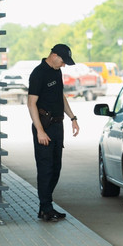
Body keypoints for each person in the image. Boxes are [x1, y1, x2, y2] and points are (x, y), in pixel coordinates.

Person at [27, 44, 80, 222]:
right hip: (45, 126)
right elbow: (31, 103)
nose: (64, 65)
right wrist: (40, 131)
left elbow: (60, 96)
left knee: (56, 168)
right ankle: (46, 208)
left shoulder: (57, 72)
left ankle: (46, 207)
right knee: (45, 169)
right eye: (63, 61)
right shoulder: (38, 73)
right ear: (54, 55)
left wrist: (73, 117)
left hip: (58, 126)